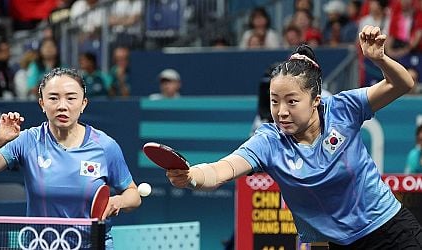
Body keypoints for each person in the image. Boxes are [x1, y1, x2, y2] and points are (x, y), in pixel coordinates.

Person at [165, 25, 422, 249]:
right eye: (274, 101)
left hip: (390, 229)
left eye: (292, 101)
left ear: (315, 100)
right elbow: (223, 169)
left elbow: (402, 85)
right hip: (336, 244)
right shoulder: (269, 141)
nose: (281, 112)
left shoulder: (342, 109)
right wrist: (191, 177)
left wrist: (380, 59)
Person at [0, 67, 142, 249]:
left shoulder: (105, 146)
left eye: (71, 98)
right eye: (53, 98)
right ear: (42, 104)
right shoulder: (28, 141)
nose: (62, 105)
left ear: (83, 103)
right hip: (40, 245)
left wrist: (119, 201)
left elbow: (134, 195)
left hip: (92, 245)